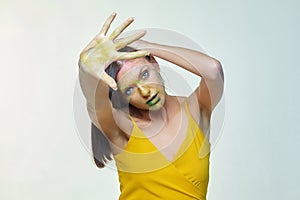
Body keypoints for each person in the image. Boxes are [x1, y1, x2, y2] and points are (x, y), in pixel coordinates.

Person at [78, 12, 224, 200]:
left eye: (144, 74)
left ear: (154, 64)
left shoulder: (195, 111)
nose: (145, 91)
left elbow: (213, 71)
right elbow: (94, 106)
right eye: (129, 90)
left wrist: (147, 47)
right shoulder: (124, 128)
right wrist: (86, 70)